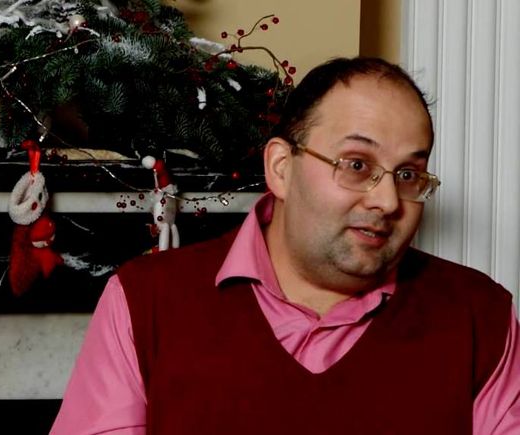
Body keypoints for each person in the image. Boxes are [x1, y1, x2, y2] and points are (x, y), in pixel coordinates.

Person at [51, 57, 520, 434]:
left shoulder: (481, 316)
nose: (387, 201)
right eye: (357, 165)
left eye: (408, 174)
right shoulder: (145, 301)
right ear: (281, 168)